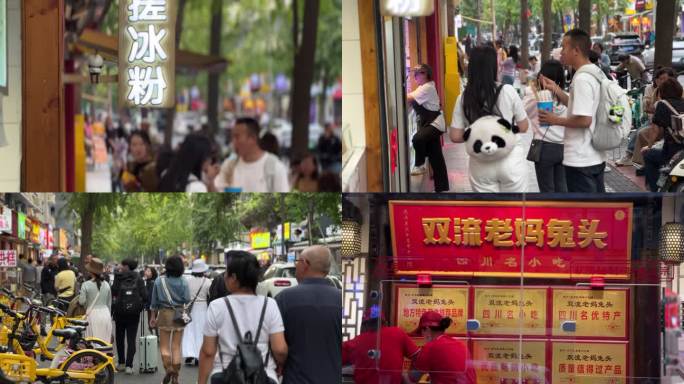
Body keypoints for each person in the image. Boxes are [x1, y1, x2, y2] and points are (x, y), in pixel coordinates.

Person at [197, 251, 288, 384]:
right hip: (263, 376)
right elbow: (279, 349)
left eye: (226, 273)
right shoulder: (270, 305)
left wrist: (201, 382)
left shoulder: (217, 306)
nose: (224, 277)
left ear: (233, 277)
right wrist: (281, 365)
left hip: (225, 375)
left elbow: (208, 352)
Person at [450, 45, 530, 192]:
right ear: (493, 67)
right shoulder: (508, 91)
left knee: (488, 212)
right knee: (515, 211)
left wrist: (476, 134)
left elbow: (455, 136)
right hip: (510, 160)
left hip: (480, 164)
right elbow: (524, 126)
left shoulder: (463, 98)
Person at [538, 28, 606, 193]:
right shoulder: (594, 72)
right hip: (595, 155)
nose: (561, 52)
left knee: (586, 214)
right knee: (597, 211)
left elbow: (584, 120)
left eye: (564, 47)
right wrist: (556, 90)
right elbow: (580, 106)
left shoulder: (582, 79)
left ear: (576, 50)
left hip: (581, 160)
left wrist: (554, 120)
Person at [275, 246, 342, 384]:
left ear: (305, 264)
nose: (296, 266)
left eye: (297, 261)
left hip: (295, 379)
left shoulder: (283, 299)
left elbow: (278, 348)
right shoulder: (342, 299)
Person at [616, 67, 676, 168]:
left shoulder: (677, 90)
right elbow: (648, 108)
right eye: (659, 78)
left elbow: (655, 108)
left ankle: (640, 158)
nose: (661, 81)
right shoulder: (655, 90)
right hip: (655, 121)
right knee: (641, 132)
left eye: (664, 78)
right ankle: (642, 160)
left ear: (671, 79)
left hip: (669, 125)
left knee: (642, 132)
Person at [523, 60, 568, 192]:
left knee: (547, 190)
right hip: (564, 148)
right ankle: (563, 212)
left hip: (544, 148)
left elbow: (523, 111)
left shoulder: (535, 98)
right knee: (562, 188)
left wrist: (534, 89)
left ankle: (550, 213)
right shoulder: (567, 99)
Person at [342, 307, 419, 384]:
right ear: (385, 322)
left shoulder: (357, 341)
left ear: (365, 324)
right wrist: (410, 379)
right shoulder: (398, 333)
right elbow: (419, 357)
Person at [214, 118, 290, 192]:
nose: (233, 142)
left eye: (237, 137)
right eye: (232, 137)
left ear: (252, 138)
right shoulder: (229, 166)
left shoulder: (275, 168)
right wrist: (210, 181)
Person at [407, 64, 449, 192]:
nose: (416, 76)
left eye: (419, 73)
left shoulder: (427, 88)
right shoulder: (425, 87)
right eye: (416, 73)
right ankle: (441, 188)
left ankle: (420, 165)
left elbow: (408, 97)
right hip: (432, 123)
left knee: (417, 139)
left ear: (426, 74)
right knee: (436, 157)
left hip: (434, 124)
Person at [149, 256, 191, 384]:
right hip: (179, 314)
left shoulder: (159, 281)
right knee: (176, 347)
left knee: (164, 347)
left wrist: (152, 317)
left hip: (164, 314)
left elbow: (154, 302)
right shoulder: (183, 281)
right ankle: (176, 377)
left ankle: (168, 369)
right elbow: (187, 299)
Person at [409, 311, 476, 384]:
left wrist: (414, 356)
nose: (422, 336)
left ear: (427, 330)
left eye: (421, 332)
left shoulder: (430, 347)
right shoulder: (460, 344)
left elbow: (413, 378)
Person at [643, 78, 684, 191]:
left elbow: (655, 130)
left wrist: (649, 146)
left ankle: (655, 192)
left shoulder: (662, 104)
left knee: (649, 156)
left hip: (673, 152)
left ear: (662, 92)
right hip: (681, 152)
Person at [112, 258, 147, 374]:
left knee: (120, 338)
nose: (121, 267)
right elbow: (145, 296)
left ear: (126, 266)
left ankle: (121, 363)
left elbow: (114, 291)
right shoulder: (139, 278)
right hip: (134, 314)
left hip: (120, 313)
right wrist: (139, 305)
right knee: (131, 339)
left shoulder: (118, 277)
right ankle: (129, 366)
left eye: (122, 265)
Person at [182, 259, 212, 366]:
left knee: (189, 331)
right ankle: (199, 356)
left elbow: (184, 296)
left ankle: (189, 355)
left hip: (190, 308)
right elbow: (210, 296)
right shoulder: (208, 282)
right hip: (203, 307)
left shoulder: (187, 281)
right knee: (200, 332)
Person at [78, 258, 112, 343]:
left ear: (90, 271)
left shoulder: (85, 285)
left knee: (92, 344)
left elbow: (81, 302)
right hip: (105, 314)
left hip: (92, 315)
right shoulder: (107, 285)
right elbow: (109, 303)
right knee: (104, 343)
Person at [143, 266, 158, 333]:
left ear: (153, 273)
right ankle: (156, 338)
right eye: (146, 271)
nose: (146, 272)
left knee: (152, 324)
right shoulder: (149, 282)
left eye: (149, 271)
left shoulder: (152, 282)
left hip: (152, 307)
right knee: (152, 324)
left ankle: (155, 339)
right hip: (151, 306)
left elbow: (151, 296)